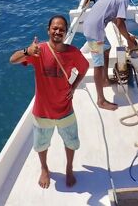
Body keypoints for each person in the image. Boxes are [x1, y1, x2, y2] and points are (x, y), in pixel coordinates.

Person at [10, 15, 89, 189]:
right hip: (42, 111)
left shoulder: (73, 53)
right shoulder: (38, 51)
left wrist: (74, 86)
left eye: (61, 29)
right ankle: (44, 168)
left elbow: (84, 68)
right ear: (48, 30)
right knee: (41, 144)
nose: (58, 31)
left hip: (65, 109)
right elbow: (13, 60)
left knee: (71, 142)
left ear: (66, 32)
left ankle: (69, 168)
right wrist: (27, 51)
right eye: (54, 28)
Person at [83, 0, 138, 110]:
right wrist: (130, 42)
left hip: (91, 26)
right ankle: (100, 100)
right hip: (95, 32)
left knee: (107, 49)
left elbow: (113, 18)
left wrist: (128, 36)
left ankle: (105, 80)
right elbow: (120, 22)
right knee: (98, 64)